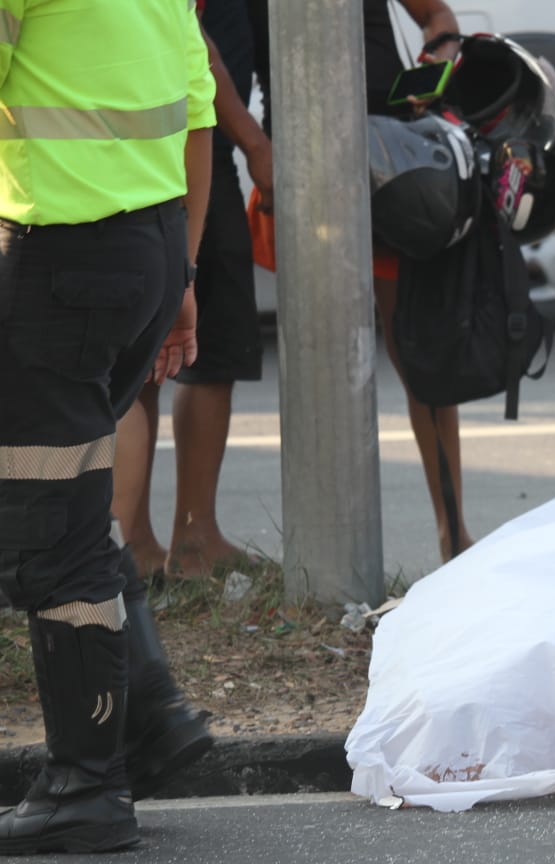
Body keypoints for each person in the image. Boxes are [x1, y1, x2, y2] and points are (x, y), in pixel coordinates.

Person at [0, 1, 218, 853]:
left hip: (61, 264)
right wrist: (185, 274)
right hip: (149, 249)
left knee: (53, 531)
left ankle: (86, 786)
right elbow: (197, 111)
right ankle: (149, 719)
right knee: (72, 507)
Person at [248, 0, 475, 563]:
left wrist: (439, 59)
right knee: (319, 362)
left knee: (416, 351)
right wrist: (255, 146)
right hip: (302, 164)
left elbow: (438, 17)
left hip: (393, 162)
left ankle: (454, 534)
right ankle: (327, 553)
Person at [113, 0, 275, 581]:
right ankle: (134, 545)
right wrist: (257, 142)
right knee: (140, 358)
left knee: (195, 349)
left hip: (182, 158)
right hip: (166, 158)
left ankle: (185, 536)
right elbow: (193, 49)